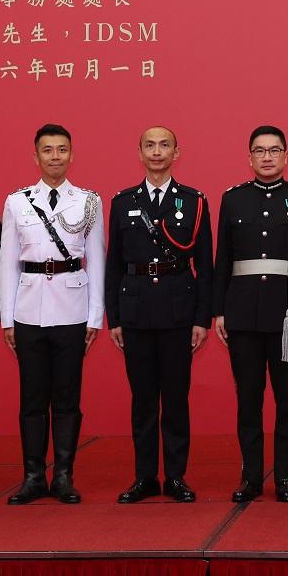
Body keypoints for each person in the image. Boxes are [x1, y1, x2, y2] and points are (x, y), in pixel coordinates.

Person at [213, 125, 288, 504]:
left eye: (274, 150)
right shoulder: (233, 199)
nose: (267, 157)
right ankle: (250, 476)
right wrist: (219, 311)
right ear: (250, 157)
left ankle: (286, 478)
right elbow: (222, 260)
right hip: (242, 312)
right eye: (259, 151)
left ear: (286, 156)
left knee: (286, 400)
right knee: (249, 399)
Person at [0, 123, 105, 505]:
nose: (55, 156)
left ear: (71, 155)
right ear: (36, 156)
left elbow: (96, 258)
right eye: (47, 150)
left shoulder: (89, 201)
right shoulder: (17, 201)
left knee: (66, 398)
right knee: (31, 398)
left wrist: (95, 316)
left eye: (62, 149)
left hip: (73, 308)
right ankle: (32, 477)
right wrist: (7, 318)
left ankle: (62, 475)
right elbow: (7, 262)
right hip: (28, 310)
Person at [106, 126, 213, 504]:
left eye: (164, 145)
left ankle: (177, 477)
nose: (157, 152)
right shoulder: (122, 202)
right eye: (149, 145)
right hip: (135, 310)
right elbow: (113, 264)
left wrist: (202, 317)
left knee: (176, 398)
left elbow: (205, 266)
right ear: (139, 153)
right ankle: (145, 476)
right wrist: (113, 317)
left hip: (177, 309)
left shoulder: (194, 200)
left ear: (176, 153)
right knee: (143, 399)